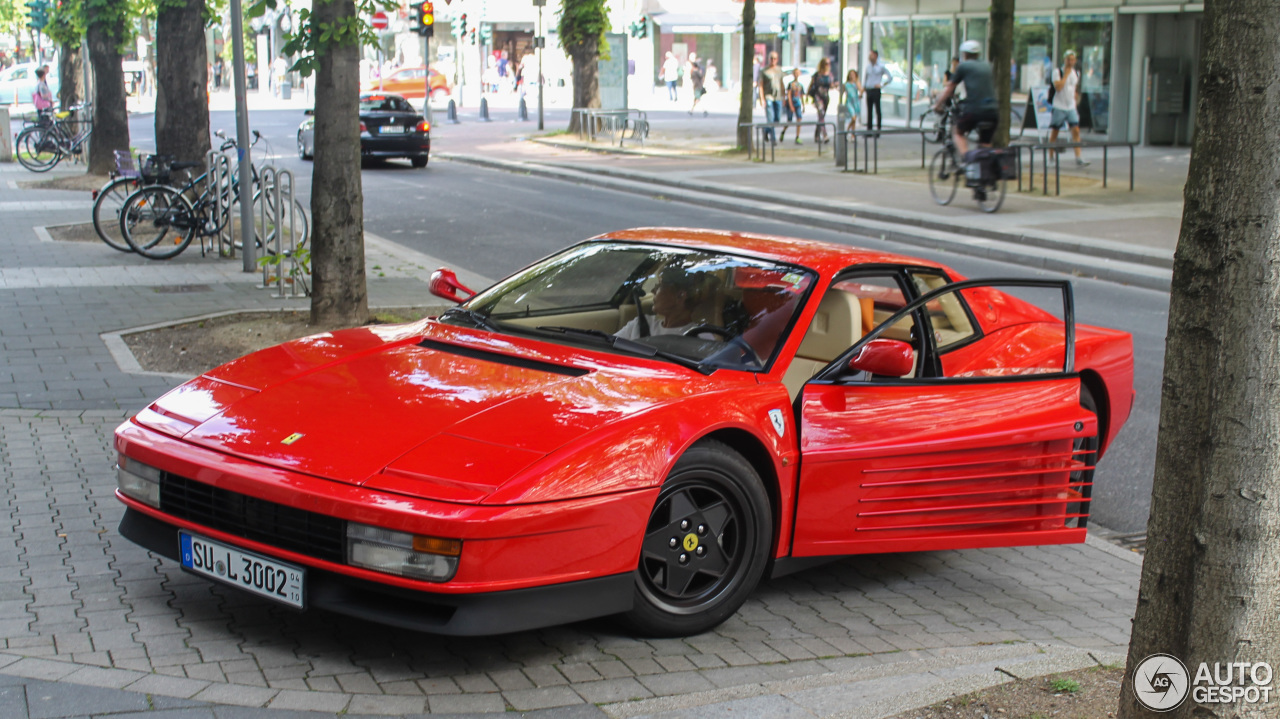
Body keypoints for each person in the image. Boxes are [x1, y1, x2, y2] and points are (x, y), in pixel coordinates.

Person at [932, 39, 999, 160]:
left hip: (974, 110)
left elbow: (949, 88)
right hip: (993, 111)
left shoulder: (963, 66)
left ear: (965, 54)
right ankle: (986, 171)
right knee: (985, 144)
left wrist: (938, 104)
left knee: (957, 132)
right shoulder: (987, 66)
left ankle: (968, 160)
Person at [615, 270, 705, 340]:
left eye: (660, 286)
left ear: (680, 295)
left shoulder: (700, 336)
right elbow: (608, 346)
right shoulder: (640, 324)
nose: (653, 291)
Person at [1049, 50, 1090, 166]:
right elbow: (1058, 87)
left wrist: (1075, 97)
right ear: (1064, 60)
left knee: (1076, 130)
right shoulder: (1057, 72)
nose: (1070, 62)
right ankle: (1051, 157)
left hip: (1071, 106)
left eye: (1072, 59)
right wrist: (1066, 75)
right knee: (1055, 131)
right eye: (1068, 59)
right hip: (1059, 105)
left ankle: (1078, 157)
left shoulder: (1076, 73)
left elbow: (1074, 88)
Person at [757, 52, 784, 143]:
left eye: (775, 58)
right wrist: (762, 98)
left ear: (777, 59)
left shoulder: (779, 70)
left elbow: (781, 83)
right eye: (771, 58)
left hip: (778, 97)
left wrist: (784, 96)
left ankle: (766, 130)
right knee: (770, 118)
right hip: (769, 96)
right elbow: (760, 85)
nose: (773, 60)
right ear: (768, 59)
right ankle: (773, 138)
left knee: (777, 118)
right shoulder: (764, 71)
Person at [862, 50, 892, 132]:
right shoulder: (868, 67)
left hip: (876, 90)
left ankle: (878, 129)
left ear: (875, 56)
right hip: (869, 90)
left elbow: (890, 77)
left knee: (877, 110)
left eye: (871, 55)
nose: (869, 57)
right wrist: (863, 88)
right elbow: (866, 78)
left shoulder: (881, 66)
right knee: (869, 110)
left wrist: (881, 84)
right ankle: (869, 129)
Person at [808, 57, 834, 144]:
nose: (828, 65)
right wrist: (808, 96)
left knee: (821, 117)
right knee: (821, 113)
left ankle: (816, 134)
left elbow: (831, 85)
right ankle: (825, 135)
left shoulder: (829, 75)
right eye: (826, 63)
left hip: (826, 97)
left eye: (829, 63)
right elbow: (811, 84)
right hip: (817, 96)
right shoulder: (817, 75)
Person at [781, 68, 805, 144]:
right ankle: (783, 131)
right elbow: (788, 95)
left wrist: (803, 106)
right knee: (789, 121)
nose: (796, 75)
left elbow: (801, 96)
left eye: (798, 73)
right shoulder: (790, 84)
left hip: (798, 104)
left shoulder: (800, 85)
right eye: (795, 73)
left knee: (799, 119)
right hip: (791, 104)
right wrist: (791, 105)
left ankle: (797, 137)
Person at [842, 69, 862, 133]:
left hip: (855, 102)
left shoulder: (856, 83)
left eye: (853, 74)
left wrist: (857, 83)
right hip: (849, 102)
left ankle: (853, 134)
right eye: (850, 75)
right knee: (853, 118)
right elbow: (842, 92)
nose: (852, 76)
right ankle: (848, 130)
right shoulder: (846, 84)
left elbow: (861, 90)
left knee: (854, 119)